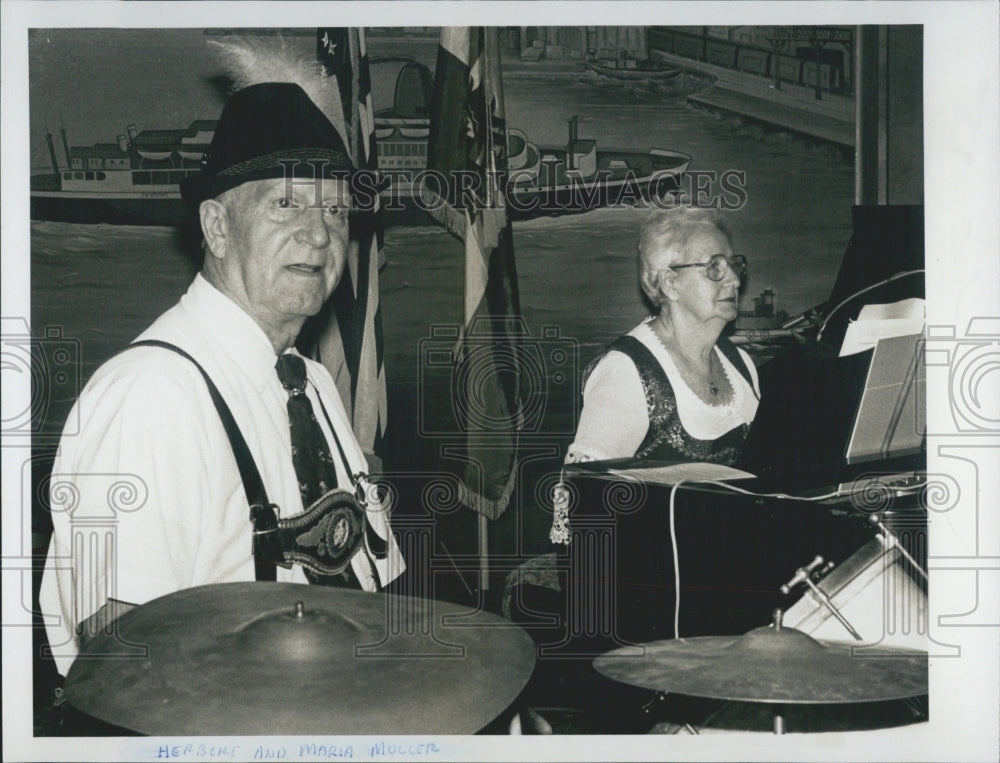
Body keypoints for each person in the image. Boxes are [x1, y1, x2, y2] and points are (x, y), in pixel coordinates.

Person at [39, 76, 404, 677]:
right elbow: (127, 667)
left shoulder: (311, 385)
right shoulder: (151, 397)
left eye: (336, 208)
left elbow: (375, 586)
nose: (320, 233)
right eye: (286, 203)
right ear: (216, 228)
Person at [550, 207, 759, 543]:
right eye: (715, 267)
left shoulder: (742, 365)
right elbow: (580, 508)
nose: (734, 279)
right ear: (670, 283)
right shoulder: (626, 371)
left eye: (735, 265)